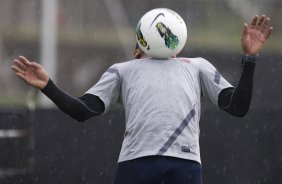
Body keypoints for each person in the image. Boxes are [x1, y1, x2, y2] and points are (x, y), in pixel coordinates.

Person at [12, 15, 272, 184]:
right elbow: (83, 110)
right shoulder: (123, 70)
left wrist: (249, 59)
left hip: (184, 165)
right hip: (137, 164)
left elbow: (237, 107)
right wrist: (48, 86)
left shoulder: (196, 66)